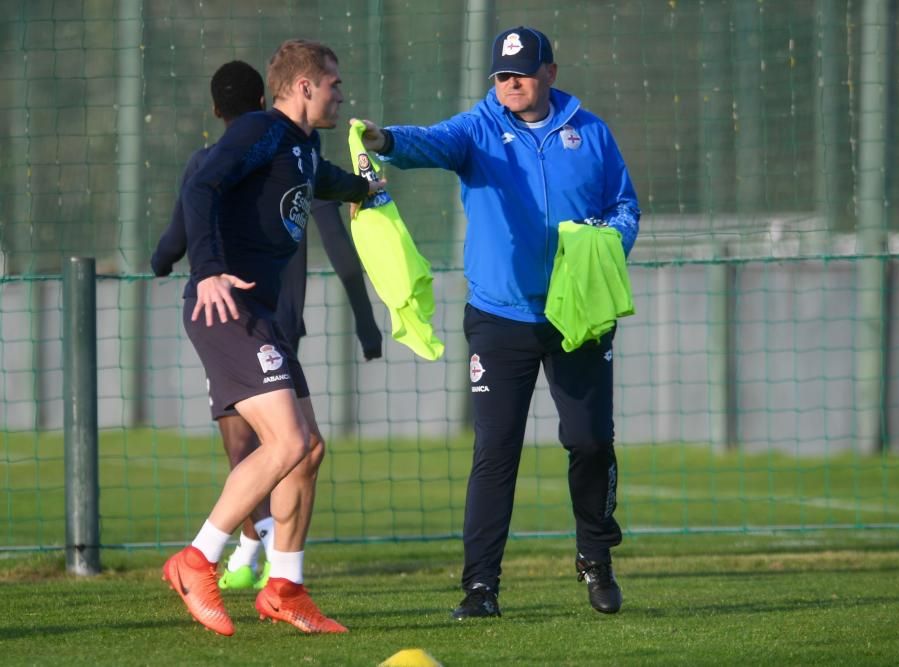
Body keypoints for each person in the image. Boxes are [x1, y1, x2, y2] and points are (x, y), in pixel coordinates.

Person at [355, 25, 640, 618]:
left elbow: (624, 205)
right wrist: (383, 140)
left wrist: (609, 240)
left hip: (579, 315)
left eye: (522, 72)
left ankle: (596, 558)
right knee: (495, 451)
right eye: (502, 74)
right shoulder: (479, 129)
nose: (511, 83)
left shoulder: (591, 133)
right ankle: (480, 588)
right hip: (498, 317)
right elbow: (428, 142)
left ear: (550, 74)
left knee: (590, 441)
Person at [160, 39, 385, 636]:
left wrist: (366, 190)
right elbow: (201, 185)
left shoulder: (304, 146)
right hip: (226, 306)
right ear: (305, 86)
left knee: (307, 451)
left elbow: (326, 181)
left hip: (264, 315)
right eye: (334, 83)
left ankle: (285, 587)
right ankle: (197, 560)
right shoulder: (261, 128)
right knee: (285, 443)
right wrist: (206, 269)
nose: (341, 92)